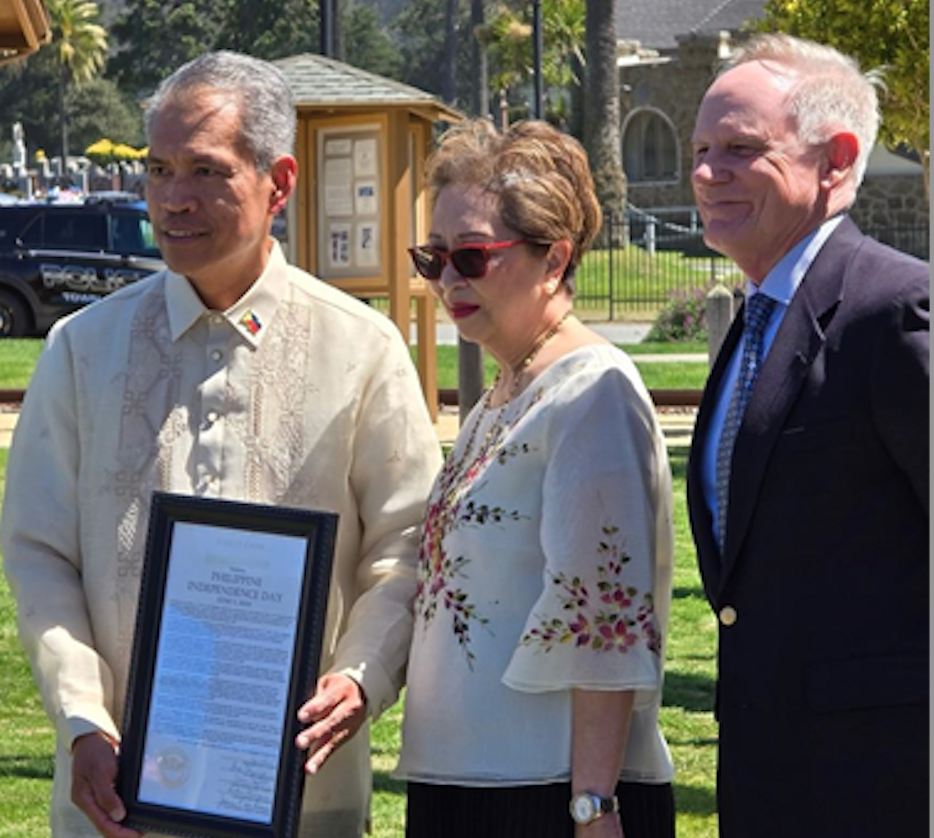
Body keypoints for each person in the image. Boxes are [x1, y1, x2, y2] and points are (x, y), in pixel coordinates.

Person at [1, 51, 441, 838]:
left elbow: (409, 544)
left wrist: (359, 679)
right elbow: (40, 553)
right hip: (116, 794)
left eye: (205, 171)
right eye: (158, 169)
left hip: (304, 794)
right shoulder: (81, 349)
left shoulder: (364, 350)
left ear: (280, 182)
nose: (173, 199)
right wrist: (81, 719)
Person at [396, 118, 676, 838]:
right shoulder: (508, 389)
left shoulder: (592, 393)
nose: (448, 279)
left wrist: (593, 806)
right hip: (466, 786)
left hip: (546, 797)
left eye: (472, 256)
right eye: (433, 258)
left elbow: (603, 618)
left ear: (554, 258)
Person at [686, 33, 929, 838]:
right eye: (700, 149)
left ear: (835, 161)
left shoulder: (894, 310)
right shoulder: (756, 321)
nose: (705, 172)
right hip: (768, 773)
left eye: (740, 149)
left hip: (881, 784)